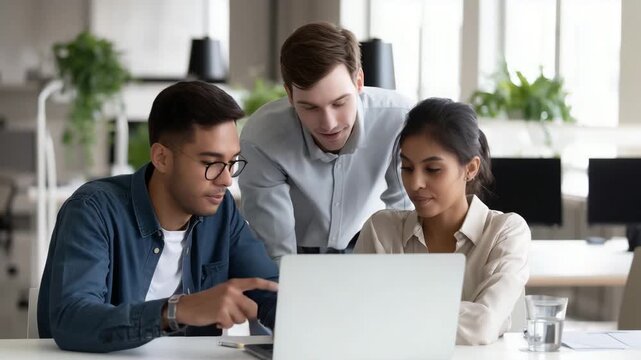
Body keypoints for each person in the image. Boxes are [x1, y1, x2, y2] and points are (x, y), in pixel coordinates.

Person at [37, 81, 279, 353]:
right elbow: (71, 318)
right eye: (211, 163)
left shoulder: (221, 214)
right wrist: (176, 311)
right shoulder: (93, 210)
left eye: (232, 162)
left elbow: (269, 291)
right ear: (161, 158)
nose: (225, 179)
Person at [353, 98, 530, 345]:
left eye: (433, 169)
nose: (415, 184)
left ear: (470, 168)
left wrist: (392, 312)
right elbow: (359, 319)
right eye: (406, 167)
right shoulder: (381, 230)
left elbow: (482, 326)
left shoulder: (506, 232)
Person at [239, 22, 413, 261]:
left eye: (340, 103)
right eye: (310, 107)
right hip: (297, 254)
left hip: (372, 249)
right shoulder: (262, 138)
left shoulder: (399, 118)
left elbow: (403, 212)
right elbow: (277, 250)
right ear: (289, 94)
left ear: (359, 81)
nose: (329, 123)